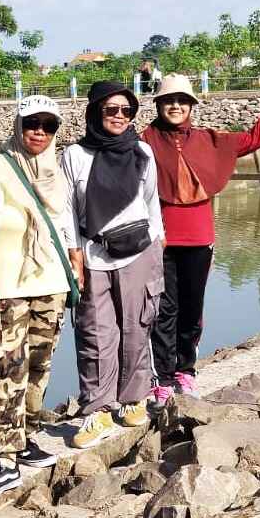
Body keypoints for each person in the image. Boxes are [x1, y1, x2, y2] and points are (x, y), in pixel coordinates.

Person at [142, 68, 260, 400]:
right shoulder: (144, 142)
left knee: (192, 308)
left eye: (182, 100)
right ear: (159, 105)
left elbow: (256, 137)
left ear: (191, 106)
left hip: (198, 240)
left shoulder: (210, 140)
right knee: (162, 310)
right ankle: (161, 378)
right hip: (159, 241)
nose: (175, 106)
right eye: (168, 100)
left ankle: (185, 371)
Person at [0, 95, 77, 500]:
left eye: (48, 126)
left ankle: (26, 436)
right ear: (18, 125)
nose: (39, 132)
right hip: (7, 290)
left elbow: (65, 224)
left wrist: (75, 260)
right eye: (32, 124)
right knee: (9, 371)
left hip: (51, 285)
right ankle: (6, 459)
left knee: (39, 367)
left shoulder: (55, 169)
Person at [61, 80, 164, 449]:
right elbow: (67, 209)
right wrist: (74, 254)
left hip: (139, 252)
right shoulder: (75, 155)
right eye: (111, 110)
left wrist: (158, 244)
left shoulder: (142, 152)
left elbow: (151, 203)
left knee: (137, 325)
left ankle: (135, 398)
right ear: (95, 113)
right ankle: (98, 408)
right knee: (95, 333)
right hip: (93, 254)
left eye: (126, 110)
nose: (119, 116)